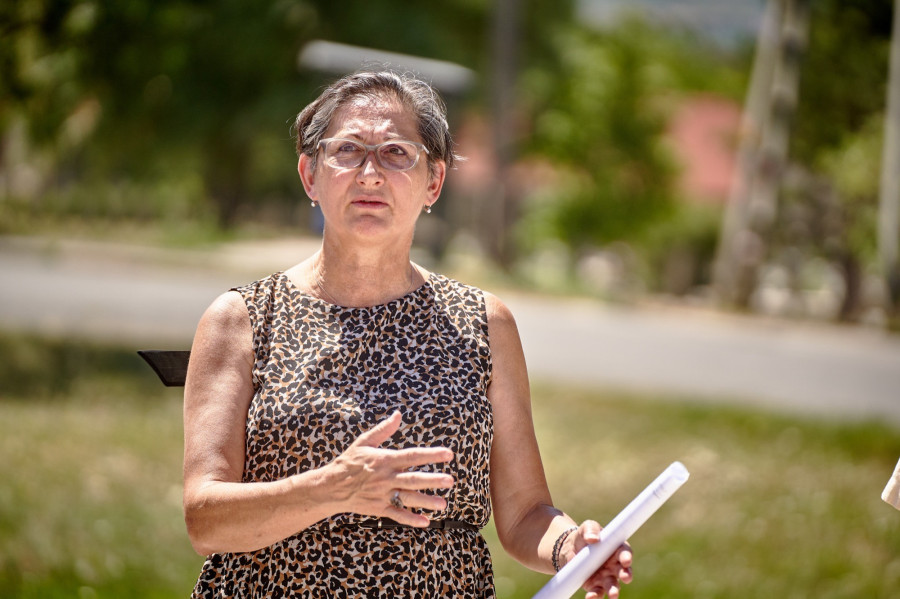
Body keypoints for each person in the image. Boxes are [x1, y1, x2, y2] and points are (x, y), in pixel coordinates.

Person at [182, 70, 632, 599]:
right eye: (348, 150)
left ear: (433, 182)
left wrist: (572, 548)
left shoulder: (484, 324)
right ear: (310, 175)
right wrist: (332, 488)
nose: (370, 174)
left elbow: (525, 514)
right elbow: (204, 520)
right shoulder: (241, 319)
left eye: (397, 153)